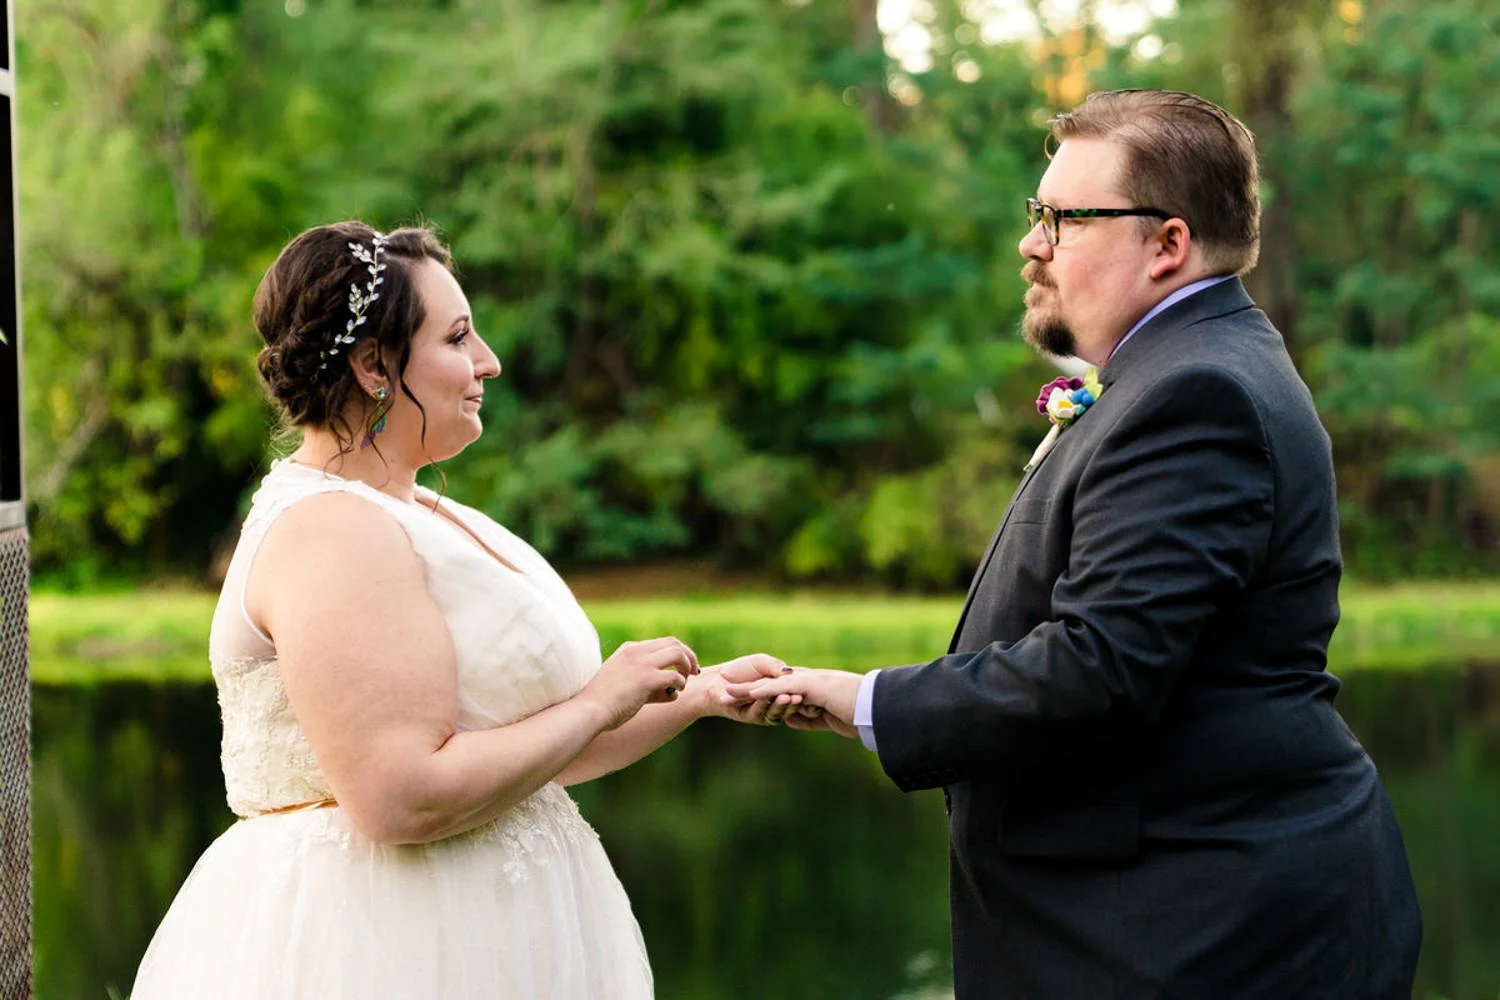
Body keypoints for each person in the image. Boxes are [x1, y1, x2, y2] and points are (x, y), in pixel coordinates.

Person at [725, 89, 1423, 998]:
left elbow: (1100, 668)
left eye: (1062, 219)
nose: (1031, 244)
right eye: (1035, 215)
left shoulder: (1195, 393)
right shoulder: (1173, 368)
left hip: (1199, 933)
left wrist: (870, 704)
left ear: (1167, 244)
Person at [131, 221, 791, 999]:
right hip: (384, 943)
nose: (490, 363)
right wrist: (602, 701)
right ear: (375, 364)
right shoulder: (332, 531)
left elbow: (529, 751)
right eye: (459, 338)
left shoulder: (423, 512)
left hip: (497, 932)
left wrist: (703, 694)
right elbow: (398, 795)